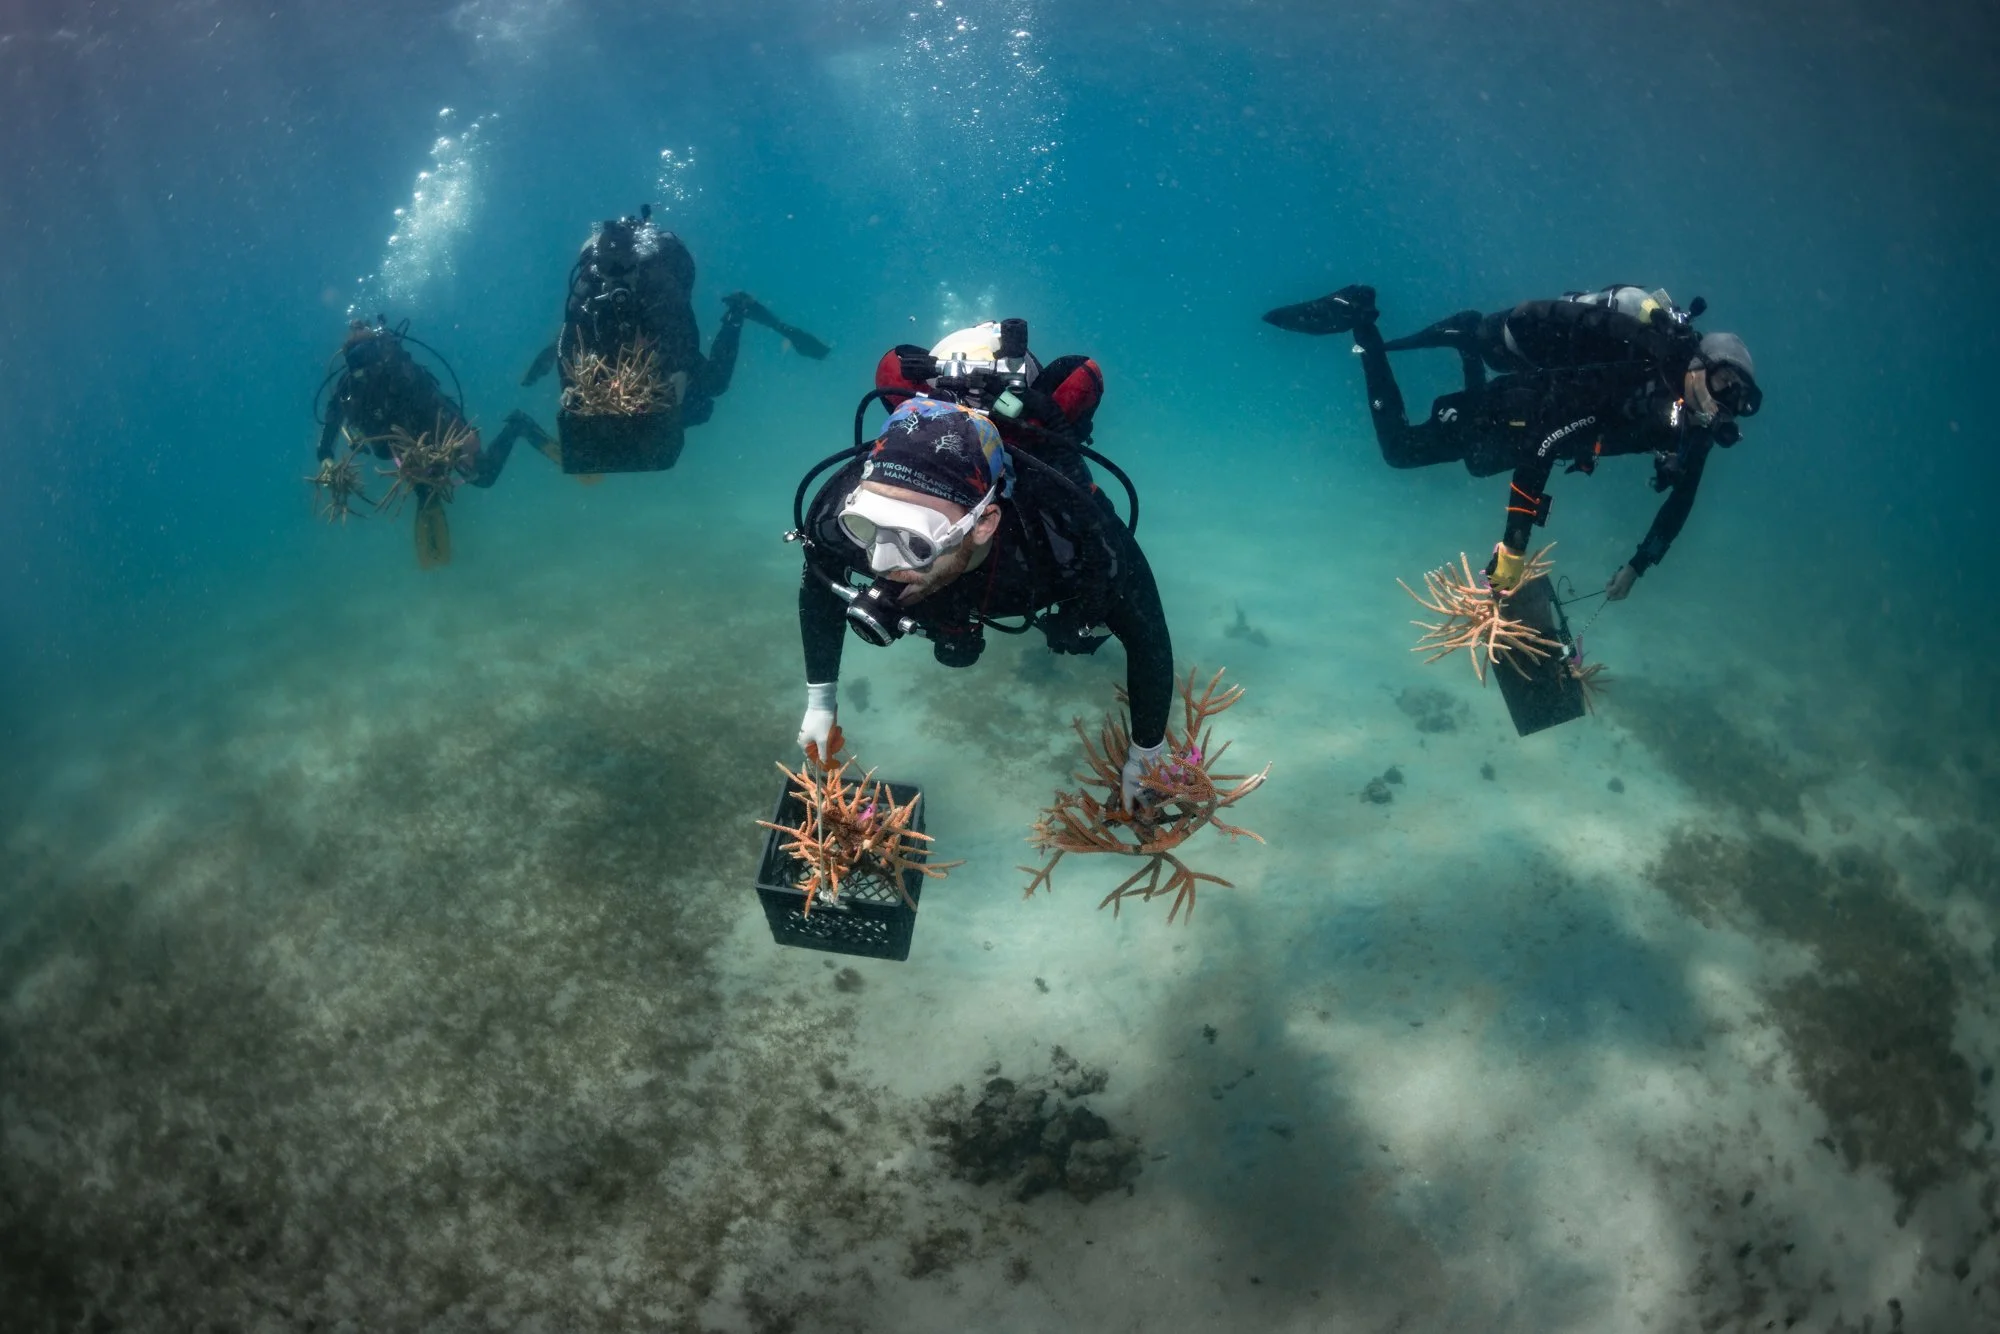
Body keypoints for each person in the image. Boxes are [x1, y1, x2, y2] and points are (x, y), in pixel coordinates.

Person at [790, 393, 1174, 809]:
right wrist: (820, 703)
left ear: (984, 524)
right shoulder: (835, 517)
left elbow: (1147, 634)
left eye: (915, 541)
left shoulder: (1062, 545)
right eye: (866, 525)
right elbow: (819, 588)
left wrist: (1146, 754)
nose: (879, 561)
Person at [1263, 284, 1762, 599]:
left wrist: (1637, 567)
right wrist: (1515, 546)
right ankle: (1362, 324)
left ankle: (1465, 342)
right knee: (1400, 451)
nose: (1720, 406)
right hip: (1516, 409)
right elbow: (1543, 446)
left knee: (1478, 463)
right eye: (1722, 387)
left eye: (1736, 402)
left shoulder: (1693, 427)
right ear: (1698, 366)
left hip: (1529, 428)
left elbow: (1681, 502)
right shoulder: (1635, 375)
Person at [515, 208, 827, 473]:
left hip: (662, 333)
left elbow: (684, 338)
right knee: (598, 378)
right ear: (598, 267)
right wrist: (567, 386)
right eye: (611, 269)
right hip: (612, 335)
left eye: (627, 267)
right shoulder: (585, 288)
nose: (619, 277)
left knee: (713, 387)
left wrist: (674, 387)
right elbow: (571, 335)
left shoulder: (661, 283)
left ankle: (737, 311)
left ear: (637, 262)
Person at [314, 318, 534, 565]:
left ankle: (517, 426)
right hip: (402, 449)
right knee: (423, 486)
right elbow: (332, 420)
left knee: (483, 477)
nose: (368, 372)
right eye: (359, 366)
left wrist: (456, 442)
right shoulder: (348, 387)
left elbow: (435, 405)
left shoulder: (400, 372)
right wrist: (325, 457)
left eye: (371, 362)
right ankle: (428, 499)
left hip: (439, 432)